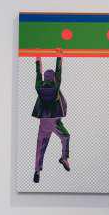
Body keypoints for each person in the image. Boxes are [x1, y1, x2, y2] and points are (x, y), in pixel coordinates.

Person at [32, 51, 70, 183]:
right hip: (54, 121)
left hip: (43, 121)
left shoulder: (39, 87)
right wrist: (59, 56)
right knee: (66, 136)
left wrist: (38, 58)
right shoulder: (56, 86)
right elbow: (59, 70)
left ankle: (37, 171)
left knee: (40, 145)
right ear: (53, 78)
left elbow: (38, 73)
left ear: (44, 78)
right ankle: (64, 158)